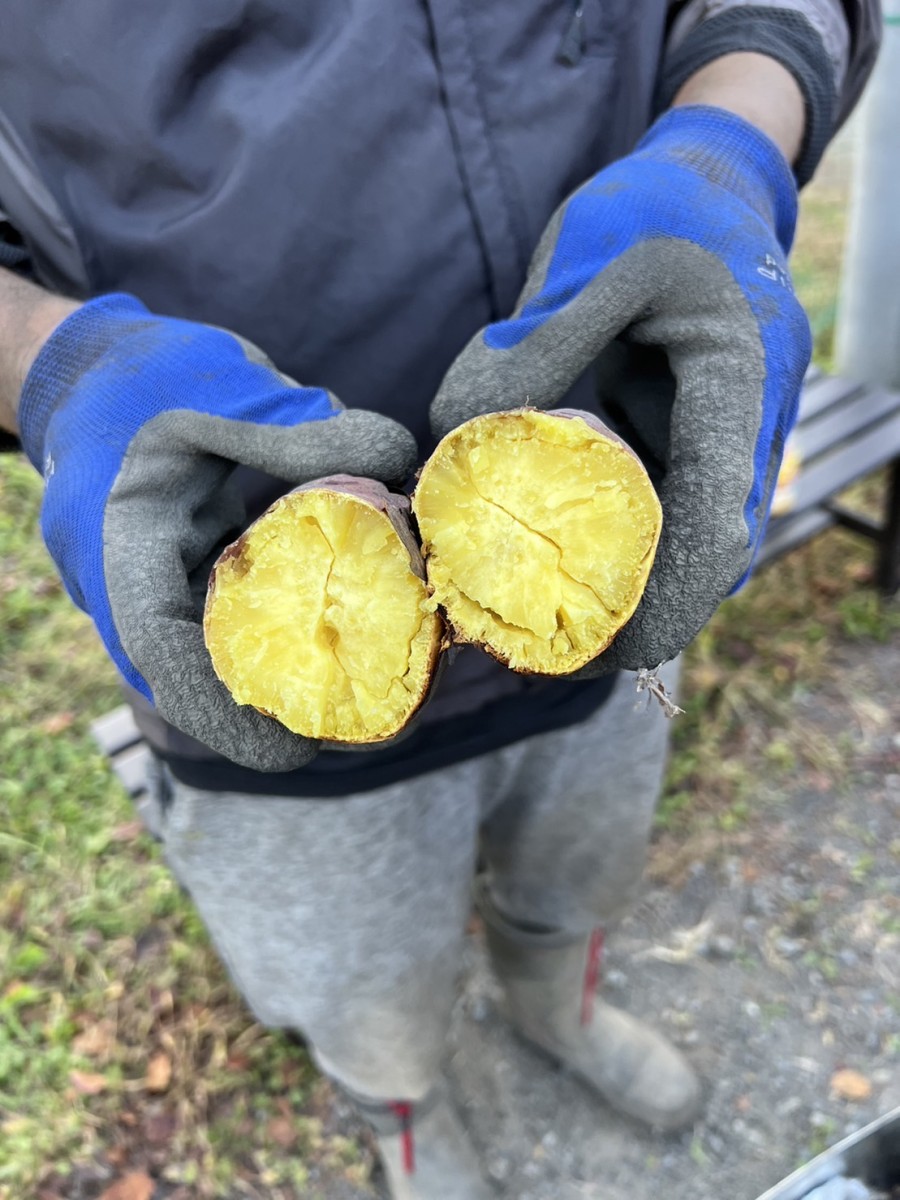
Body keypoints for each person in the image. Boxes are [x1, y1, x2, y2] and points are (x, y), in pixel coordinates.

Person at [0, 3, 879, 1195]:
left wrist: (730, 133)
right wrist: (47, 360)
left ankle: (554, 1004)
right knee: (355, 971)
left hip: (598, 581)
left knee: (580, 864)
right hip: (232, 601)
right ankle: (401, 1110)